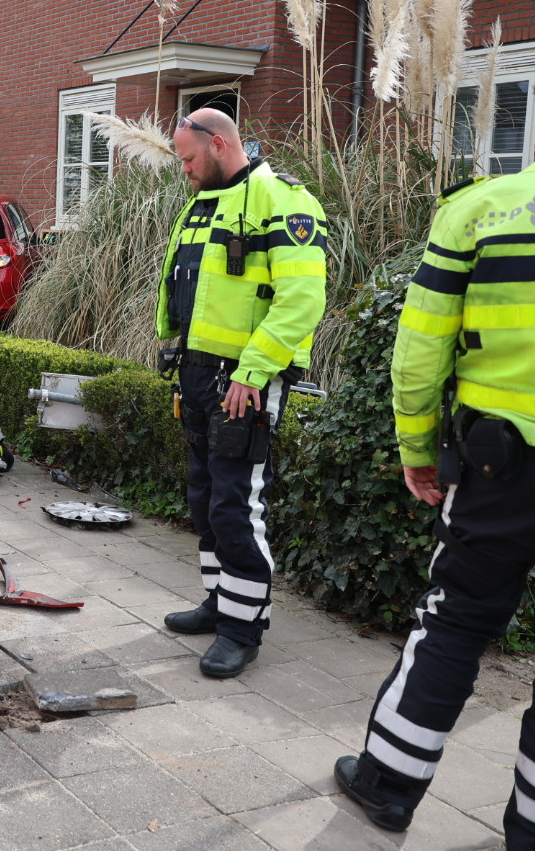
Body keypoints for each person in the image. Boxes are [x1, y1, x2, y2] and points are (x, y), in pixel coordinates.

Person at [336, 56, 535, 847]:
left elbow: (418, 355)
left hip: (500, 469)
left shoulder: (480, 209)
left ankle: (387, 785)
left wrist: (417, 447)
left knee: (452, 622)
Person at [155, 108, 328, 678]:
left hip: (243, 382)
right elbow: (189, 284)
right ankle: (219, 602)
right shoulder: (203, 202)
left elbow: (302, 301)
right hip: (199, 373)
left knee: (236, 504)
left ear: (221, 144)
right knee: (204, 498)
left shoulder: (283, 200)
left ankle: (243, 628)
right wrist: (171, 342)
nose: (183, 169)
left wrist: (252, 373)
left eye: (187, 158)